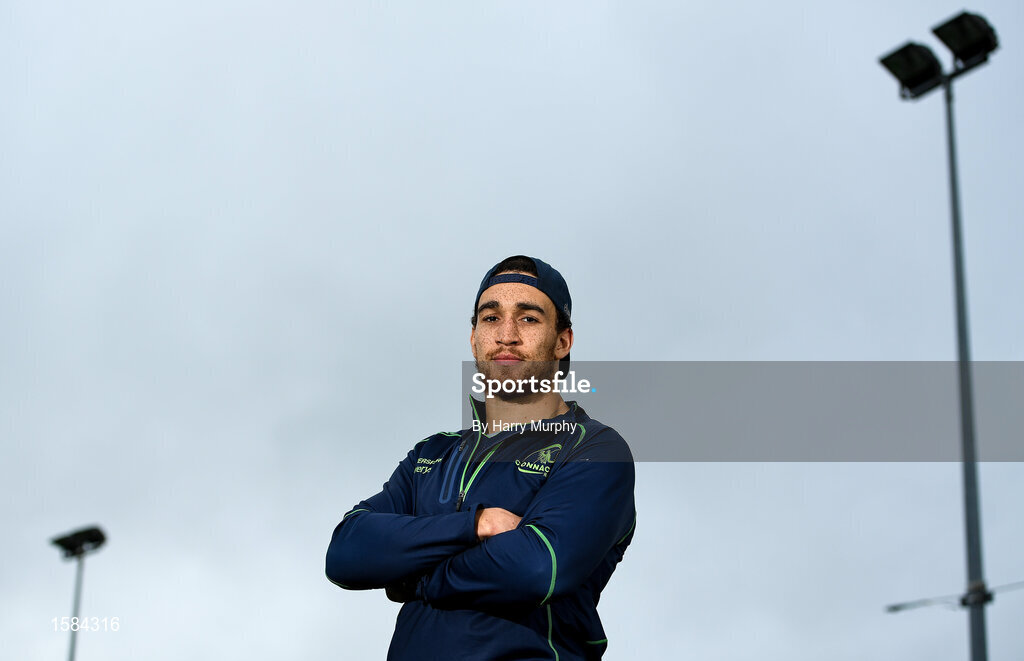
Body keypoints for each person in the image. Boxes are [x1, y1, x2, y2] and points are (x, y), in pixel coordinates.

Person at [325, 255, 636, 661]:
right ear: (473, 338)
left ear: (562, 341)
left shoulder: (596, 450)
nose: (506, 335)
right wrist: (474, 525)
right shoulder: (432, 454)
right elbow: (346, 552)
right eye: (491, 318)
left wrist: (414, 575)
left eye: (528, 318)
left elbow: (539, 568)